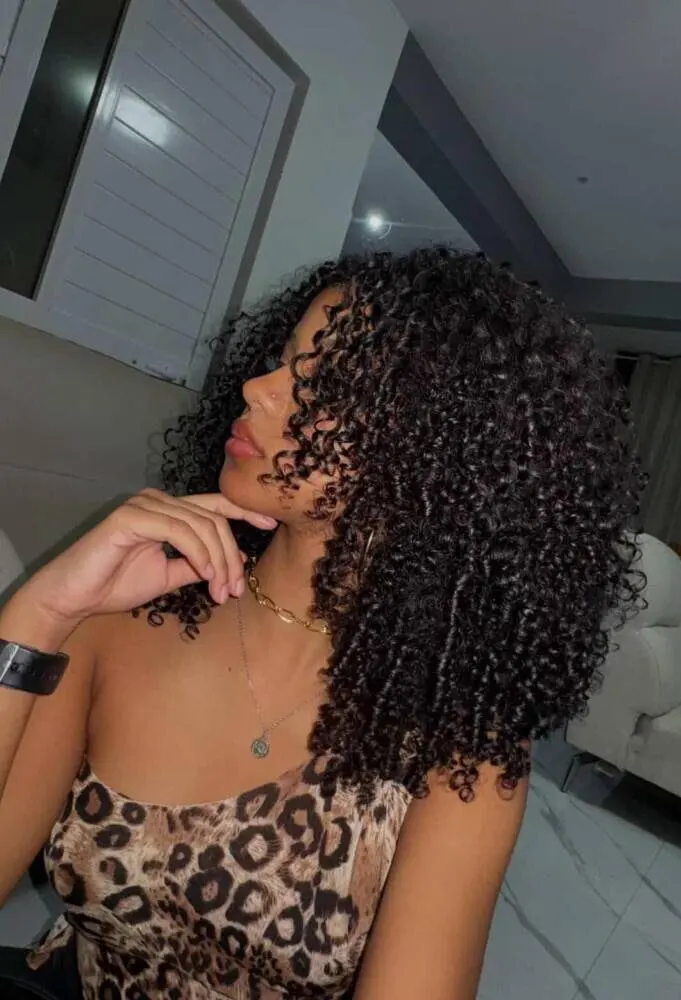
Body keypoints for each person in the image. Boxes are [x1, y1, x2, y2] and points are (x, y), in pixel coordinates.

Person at [0, 248, 642, 1000]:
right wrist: (42, 613)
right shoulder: (122, 623)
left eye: (325, 381)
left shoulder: (459, 744)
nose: (257, 388)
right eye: (281, 359)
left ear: (433, 451)